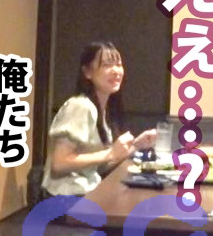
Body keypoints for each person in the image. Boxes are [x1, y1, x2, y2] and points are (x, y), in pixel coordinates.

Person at [41, 41, 157, 197]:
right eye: (107, 65)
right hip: (65, 199)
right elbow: (59, 163)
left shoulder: (103, 110)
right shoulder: (80, 106)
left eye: (118, 64)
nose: (116, 71)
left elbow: (97, 167)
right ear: (87, 72)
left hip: (86, 193)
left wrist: (136, 145)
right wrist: (110, 153)